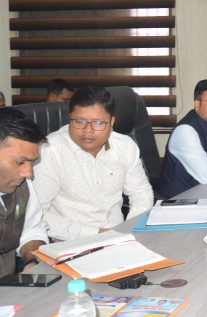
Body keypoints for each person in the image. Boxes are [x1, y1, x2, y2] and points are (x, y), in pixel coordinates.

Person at [32, 87, 153, 241]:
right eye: (79, 121)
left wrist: (131, 228)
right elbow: (38, 213)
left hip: (119, 238)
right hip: (70, 242)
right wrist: (98, 233)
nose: (87, 130)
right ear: (69, 118)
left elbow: (141, 192)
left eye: (98, 123)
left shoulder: (124, 146)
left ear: (112, 122)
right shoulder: (50, 151)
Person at [0, 108, 48, 277]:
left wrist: (31, 261)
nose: (28, 173)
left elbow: (31, 229)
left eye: (31, 163)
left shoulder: (23, 185)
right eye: (20, 162)